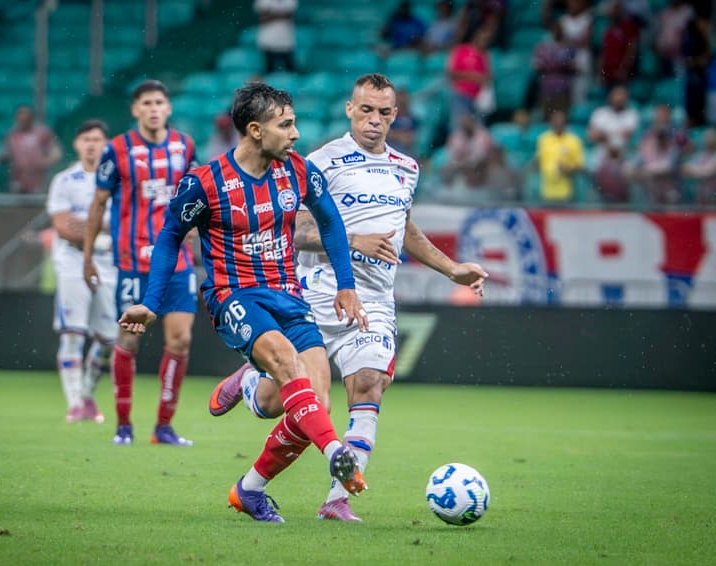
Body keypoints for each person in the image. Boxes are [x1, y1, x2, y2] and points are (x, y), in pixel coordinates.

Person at [205, 74, 488, 522]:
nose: (374, 120)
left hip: (372, 300)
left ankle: (337, 499)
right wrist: (355, 240)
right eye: (366, 110)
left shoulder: (406, 167)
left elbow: (405, 229)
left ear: (395, 115)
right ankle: (252, 384)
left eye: (384, 112)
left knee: (369, 383)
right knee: (286, 405)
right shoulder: (320, 161)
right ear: (349, 110)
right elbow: (294, 229)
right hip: (315, 295)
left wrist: (452, 268)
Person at [118, 82, 369, 523]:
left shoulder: (298, 170)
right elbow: (170, 237)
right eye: (285, 125)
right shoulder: (205, 183)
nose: (295, 134)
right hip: (233, 294)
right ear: (255, 130)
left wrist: (345, 285)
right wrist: (152, 304)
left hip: (287, 294)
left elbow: (330, 222)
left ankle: (249, 486)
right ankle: (336, 452)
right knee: (288, 365)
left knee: (310, 404)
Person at [83, 80, 199, 447]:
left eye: (159, 102)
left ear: (168, 108)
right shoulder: (117, 149)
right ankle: (123, 425)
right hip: (134, 261)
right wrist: (88, 256)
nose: (153, 109)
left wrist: (197, 230)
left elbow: (198, 196)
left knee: (180, 339)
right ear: (135, 109)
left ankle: (163, 427)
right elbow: (98, 204)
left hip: (178, 260)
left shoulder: (185, 146)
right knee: (129, 340)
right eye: (146, 103)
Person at [46, 120, 115, 424]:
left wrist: (84, 223)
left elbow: (123, 224)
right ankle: (74, 402)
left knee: (109, 338)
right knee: (72, 332)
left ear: (106, 144)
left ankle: (87, 394)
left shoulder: (118, 180)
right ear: (76, 144)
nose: (90, 145)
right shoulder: (64, 180)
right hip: (72, 260)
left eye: (96, 139)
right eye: (85, 139)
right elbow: (63, 226)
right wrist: (101, 225)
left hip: (109, 261)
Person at [0, 105, 62, 194]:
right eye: (21, 117)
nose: (23, 119)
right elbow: (7, 154)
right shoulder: (12, 135)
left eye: (26, 117)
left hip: (39, 179)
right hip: (19, 179)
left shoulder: (42, 133)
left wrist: (43, 163)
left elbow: (56, 153)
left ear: (31, 118)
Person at [537, 109, 585, 202]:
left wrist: (568, 169)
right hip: (546, 189)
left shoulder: (574, 140)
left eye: (561, 122)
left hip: (568, 189)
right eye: (556, 121)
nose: (558, 124)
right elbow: (539, 161)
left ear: (566, 123)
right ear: (551, 123)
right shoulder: (543, 139)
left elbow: (580, 166)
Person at [253, 0, 297, 73]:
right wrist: (282, 13)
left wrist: (270, 13)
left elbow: (289, 14)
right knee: (268, 73)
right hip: (267, 43)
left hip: (287, 43)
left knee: (290, 73)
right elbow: (263, 18)